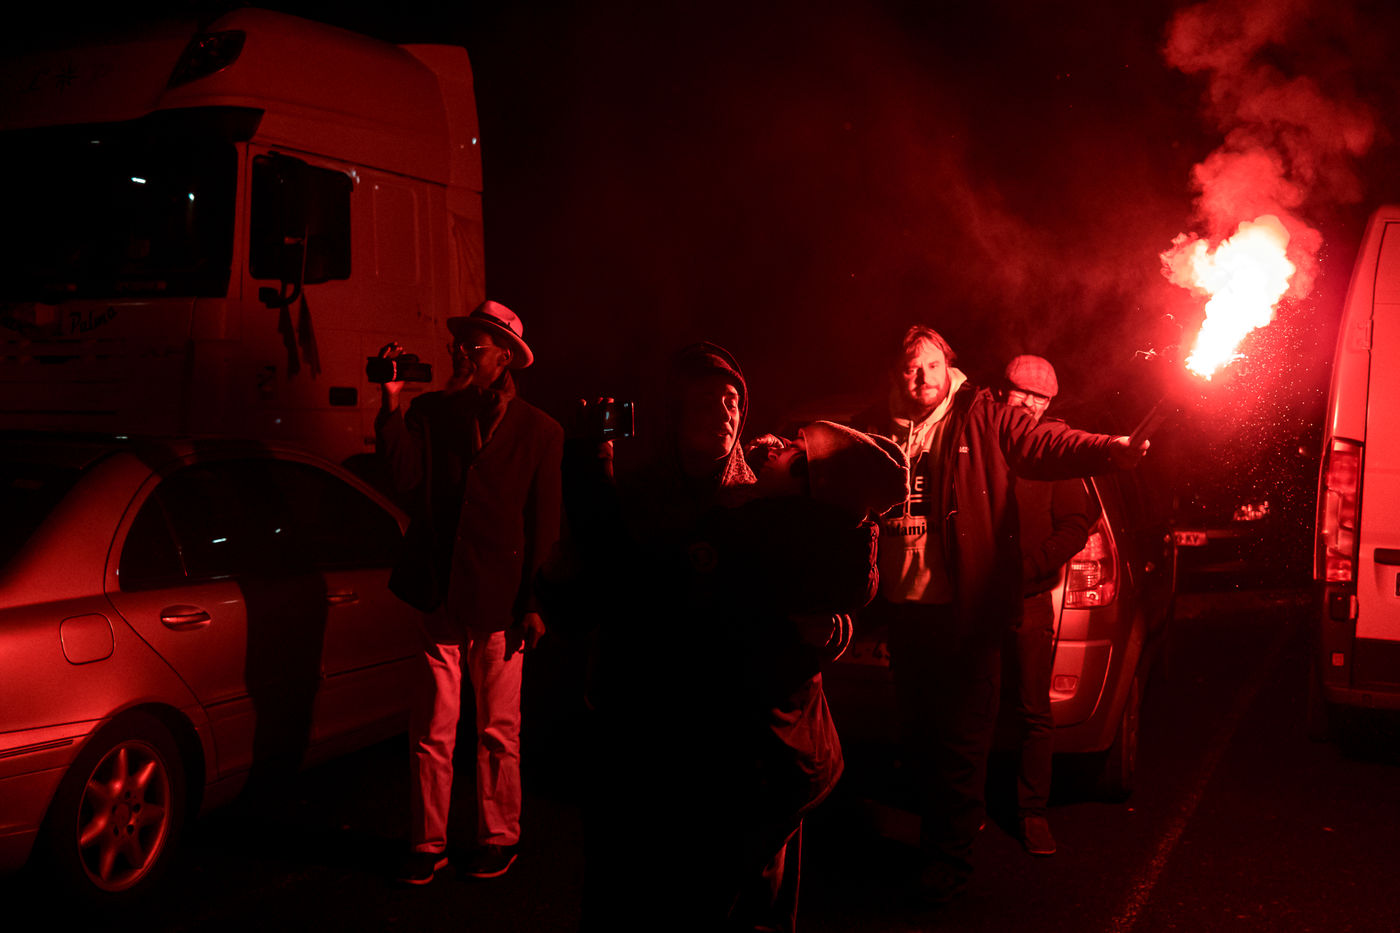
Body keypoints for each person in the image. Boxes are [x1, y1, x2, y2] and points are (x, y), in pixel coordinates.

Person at [548, 345, 904, 931]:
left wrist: (835, 628)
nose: (722, 413)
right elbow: (594, 588)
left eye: (731, 399)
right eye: (704, 400)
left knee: (748, 903)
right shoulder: (638, 497)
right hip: (647, 736)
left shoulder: (771, 491)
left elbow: (833, 571)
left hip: (750, 752)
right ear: (673, 411)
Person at [849, 325, 1145, 904]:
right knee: (920, 738)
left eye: (933, 366)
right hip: (907, 614)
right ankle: (940, 837)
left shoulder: (981, 417)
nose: (922, 378)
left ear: (950, 368)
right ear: (895, 373)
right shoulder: (875, 426)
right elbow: (829, 467)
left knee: (966, 741)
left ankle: (953, 862)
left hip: (969, 611)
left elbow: (1046, 444)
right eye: (911, 367)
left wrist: (1109, 448)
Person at [375, 299, 563, 885]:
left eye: (473, 346)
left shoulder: (540, 430)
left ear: (503, 357)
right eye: (459, 344)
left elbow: (544, 523)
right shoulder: (432, 412)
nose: (460, 352)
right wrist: (391, 402)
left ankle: (499, 837)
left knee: (497, 731)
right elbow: (404, 477)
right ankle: (427, 843)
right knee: (432, 730)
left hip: (501, 601)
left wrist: (535, 601)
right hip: (441, 592)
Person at [997, 354, 1100, 858]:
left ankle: (1031, 812)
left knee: (1033, 710)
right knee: (970, 707)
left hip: (1029, 600)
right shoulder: (983, 444)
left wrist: (1031, 566)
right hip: (975, 600)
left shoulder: (1054, 453)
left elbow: (1076, 524)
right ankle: (961, 810)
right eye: (1022, 392)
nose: (1030, 404)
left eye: (1040, 397)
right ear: (1003, 393)